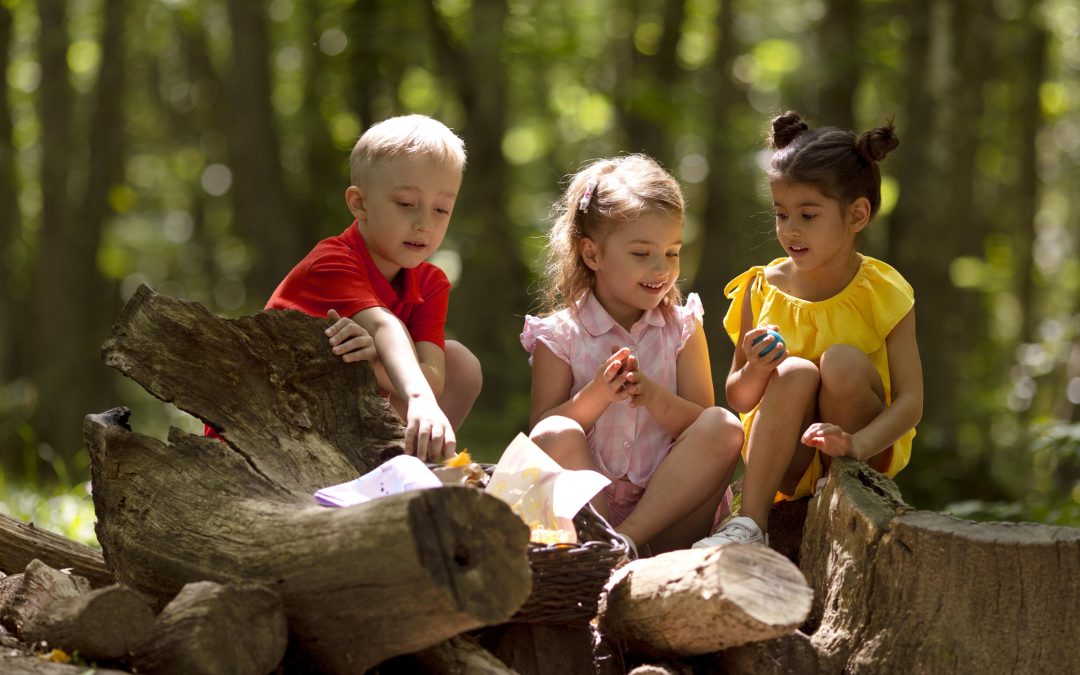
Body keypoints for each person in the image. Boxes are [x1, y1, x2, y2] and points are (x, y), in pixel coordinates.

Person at [693, 111, 923, 548]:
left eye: (808, 215)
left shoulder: (884, 290)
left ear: (856, 215)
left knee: (840, 361)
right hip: (788, 455)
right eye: (781, 215)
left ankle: (846, 493)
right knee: (794, 371)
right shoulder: (759, 289)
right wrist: (757, 370)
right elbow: (738, 396)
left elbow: (911, 402)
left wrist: (856, 443)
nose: (790, 230)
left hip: (863, 447)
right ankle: (750, 523)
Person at [213, 114, 480, 461]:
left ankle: (410, 466)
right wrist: (419, 399)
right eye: (406, 204)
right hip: (267, 423)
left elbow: (436, 378)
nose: (424, 224)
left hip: (339, 420)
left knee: (460, 363)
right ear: (359, 203)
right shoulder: (331, 262)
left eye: (441, 209)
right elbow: (384, 326)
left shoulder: (430, 282)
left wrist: (373, 365)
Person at [521, 154, 744, 557]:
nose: (662, 268)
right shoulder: (559, 335)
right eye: (642, 254)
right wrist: (597, 396)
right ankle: (605, 545)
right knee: (554, 433)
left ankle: (627, 543)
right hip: (590, 513)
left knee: (724, 425)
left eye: (673, 253)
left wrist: (655, 398)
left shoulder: (682, 328)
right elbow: (543, 435)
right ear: (592, 255)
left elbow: (703, 428)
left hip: (673, 515)